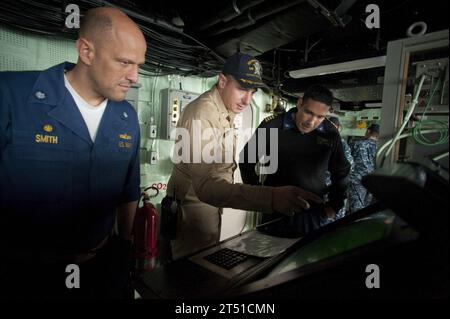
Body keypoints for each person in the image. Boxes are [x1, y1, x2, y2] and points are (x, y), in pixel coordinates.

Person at [0, 7, 146, 298]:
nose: (135, 76)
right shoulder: (10, 95)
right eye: (125, 63)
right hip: (23, 275)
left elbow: (129, 192)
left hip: (100, 270)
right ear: (86, 51)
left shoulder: (127, 118)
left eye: (139, 64)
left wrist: (124, 249)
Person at [165, 52, 322, 259]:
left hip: (207, 208)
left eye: (253, 92)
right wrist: (271, 198)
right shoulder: (203, 114)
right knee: (191, 279)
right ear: (222, 81)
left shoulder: (225, 109)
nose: (247, 100)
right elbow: (206, 188)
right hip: (192, 211)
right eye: (242, 89)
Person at [239, 85, 351, 237]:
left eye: (320, 117)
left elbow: (341, 170)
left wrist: (334, 206)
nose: (311, 121)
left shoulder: (330, 133)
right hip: (275, 212)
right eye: (308, 112)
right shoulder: (273, 126)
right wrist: (260, 197)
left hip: (313, 214)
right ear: (299, 104)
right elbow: (246, 159)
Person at [324, 116, 354, 219]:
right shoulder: (338, 142)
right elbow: (349, 164)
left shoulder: (316, 139)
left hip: (327, 186)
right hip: (331, 187)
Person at [347, 123, 380, 213]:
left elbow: (347, 161)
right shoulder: (380, 147)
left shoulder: (356, 143)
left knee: (356, 208)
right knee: (367, 208)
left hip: (357, 180)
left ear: (368, 131)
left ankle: (355, 226)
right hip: (372, 181)